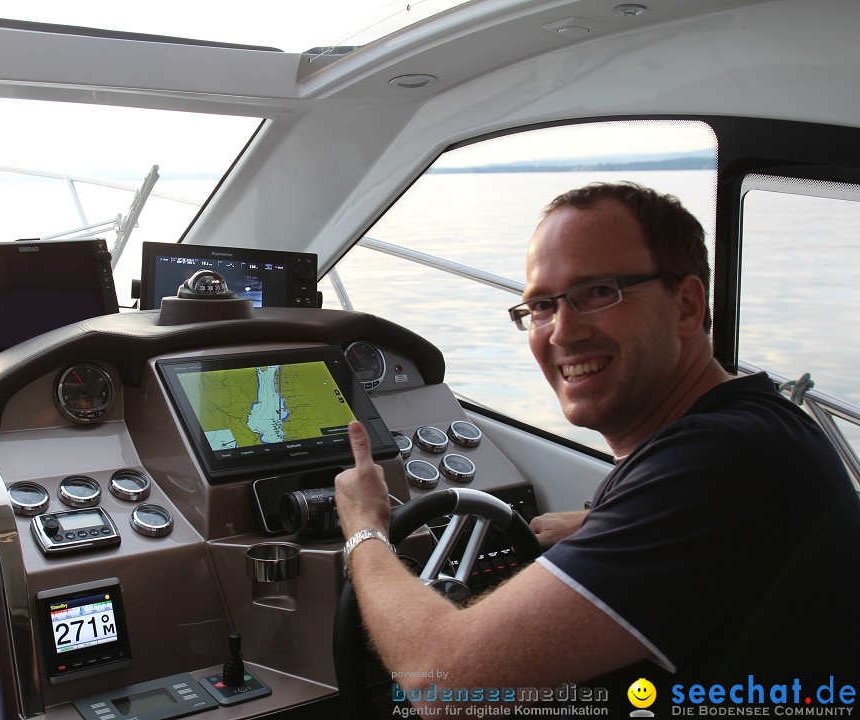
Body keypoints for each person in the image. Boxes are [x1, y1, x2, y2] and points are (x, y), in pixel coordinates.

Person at [334, 182, 860, 710]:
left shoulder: (720, 464)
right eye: (541, 305)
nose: (563, 331)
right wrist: (601, 520)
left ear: (687, 305)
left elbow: (442, 684)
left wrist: (365, 530)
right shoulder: (756, 426)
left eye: (598, 292)